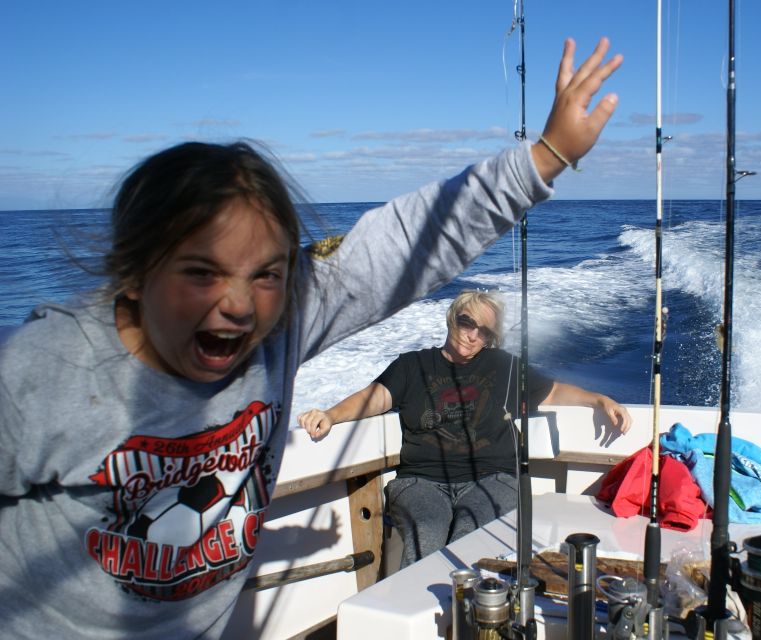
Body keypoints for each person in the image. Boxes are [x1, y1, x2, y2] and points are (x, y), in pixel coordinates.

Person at [0, 38, 622, 638]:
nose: (239, 305)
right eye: (200, 272)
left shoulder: (281, 325)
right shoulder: (42, 372)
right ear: (135, 274)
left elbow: (401, 244)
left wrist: (546, 155)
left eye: (267, 273)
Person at [297, 289, 632, 567]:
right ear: (452, 317)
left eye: (485, 331)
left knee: (471, 536)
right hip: (421, 481)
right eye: (467, 322)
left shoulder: (503, 366)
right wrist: (332, 414)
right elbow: (376, 398)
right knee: (426, 532)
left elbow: (553, 391)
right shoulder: (411, 366)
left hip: (494, 478)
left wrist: (599, 400)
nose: (473, 335)